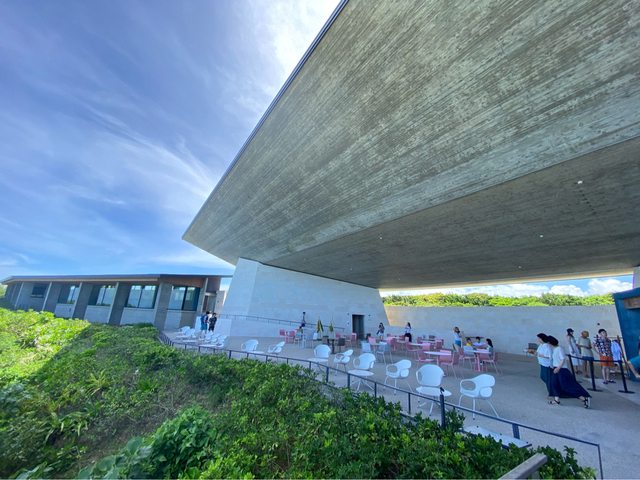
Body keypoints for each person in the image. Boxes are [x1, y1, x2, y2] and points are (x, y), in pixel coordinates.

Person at [547, 336, 591, 407]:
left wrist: (558, 368)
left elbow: (563, 359)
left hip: (561, 369)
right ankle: (556, 400)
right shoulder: (554, 349)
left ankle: (584, 398)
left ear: (550, 343)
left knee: (566, 386)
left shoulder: (559, 349)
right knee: (554, 384)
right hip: (555, 368)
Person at [535, 333, 552, 397]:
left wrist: (541, 355)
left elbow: (549, 356)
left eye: (539, 338)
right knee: (543, 377)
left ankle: (551, 392)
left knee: (547, 378)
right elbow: (537, 352)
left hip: (546, 364)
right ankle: (551, 391)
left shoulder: (547, 346)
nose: (538, 339)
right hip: (542, 363)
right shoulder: (541, 345)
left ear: (542, 339)